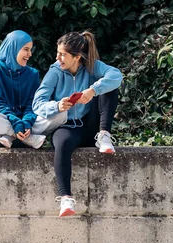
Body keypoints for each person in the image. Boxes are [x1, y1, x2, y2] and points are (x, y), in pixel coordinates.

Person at [32, 31, 123, 217]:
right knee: (62, 144)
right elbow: (37, 103)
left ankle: (104, 135)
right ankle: (65, 198)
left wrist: (92, 90)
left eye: (63, 54)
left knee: (108, 88)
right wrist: (57, 105)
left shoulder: (92, 67)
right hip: (67, 126)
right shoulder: (55, 71)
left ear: (77, 57)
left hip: (90, 126)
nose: (58, 58)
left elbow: (116, 76)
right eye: (57, 53)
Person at [0, 30, 66, 149]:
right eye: (26, 49)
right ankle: (18, 136)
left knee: (61, 112)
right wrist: (16, 124)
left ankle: (12, 137)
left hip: (27, 128)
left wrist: (26, 123)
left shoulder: (32, 74)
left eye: (30, 50)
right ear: (13, 48)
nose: (30, 54)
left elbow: (33, 104)